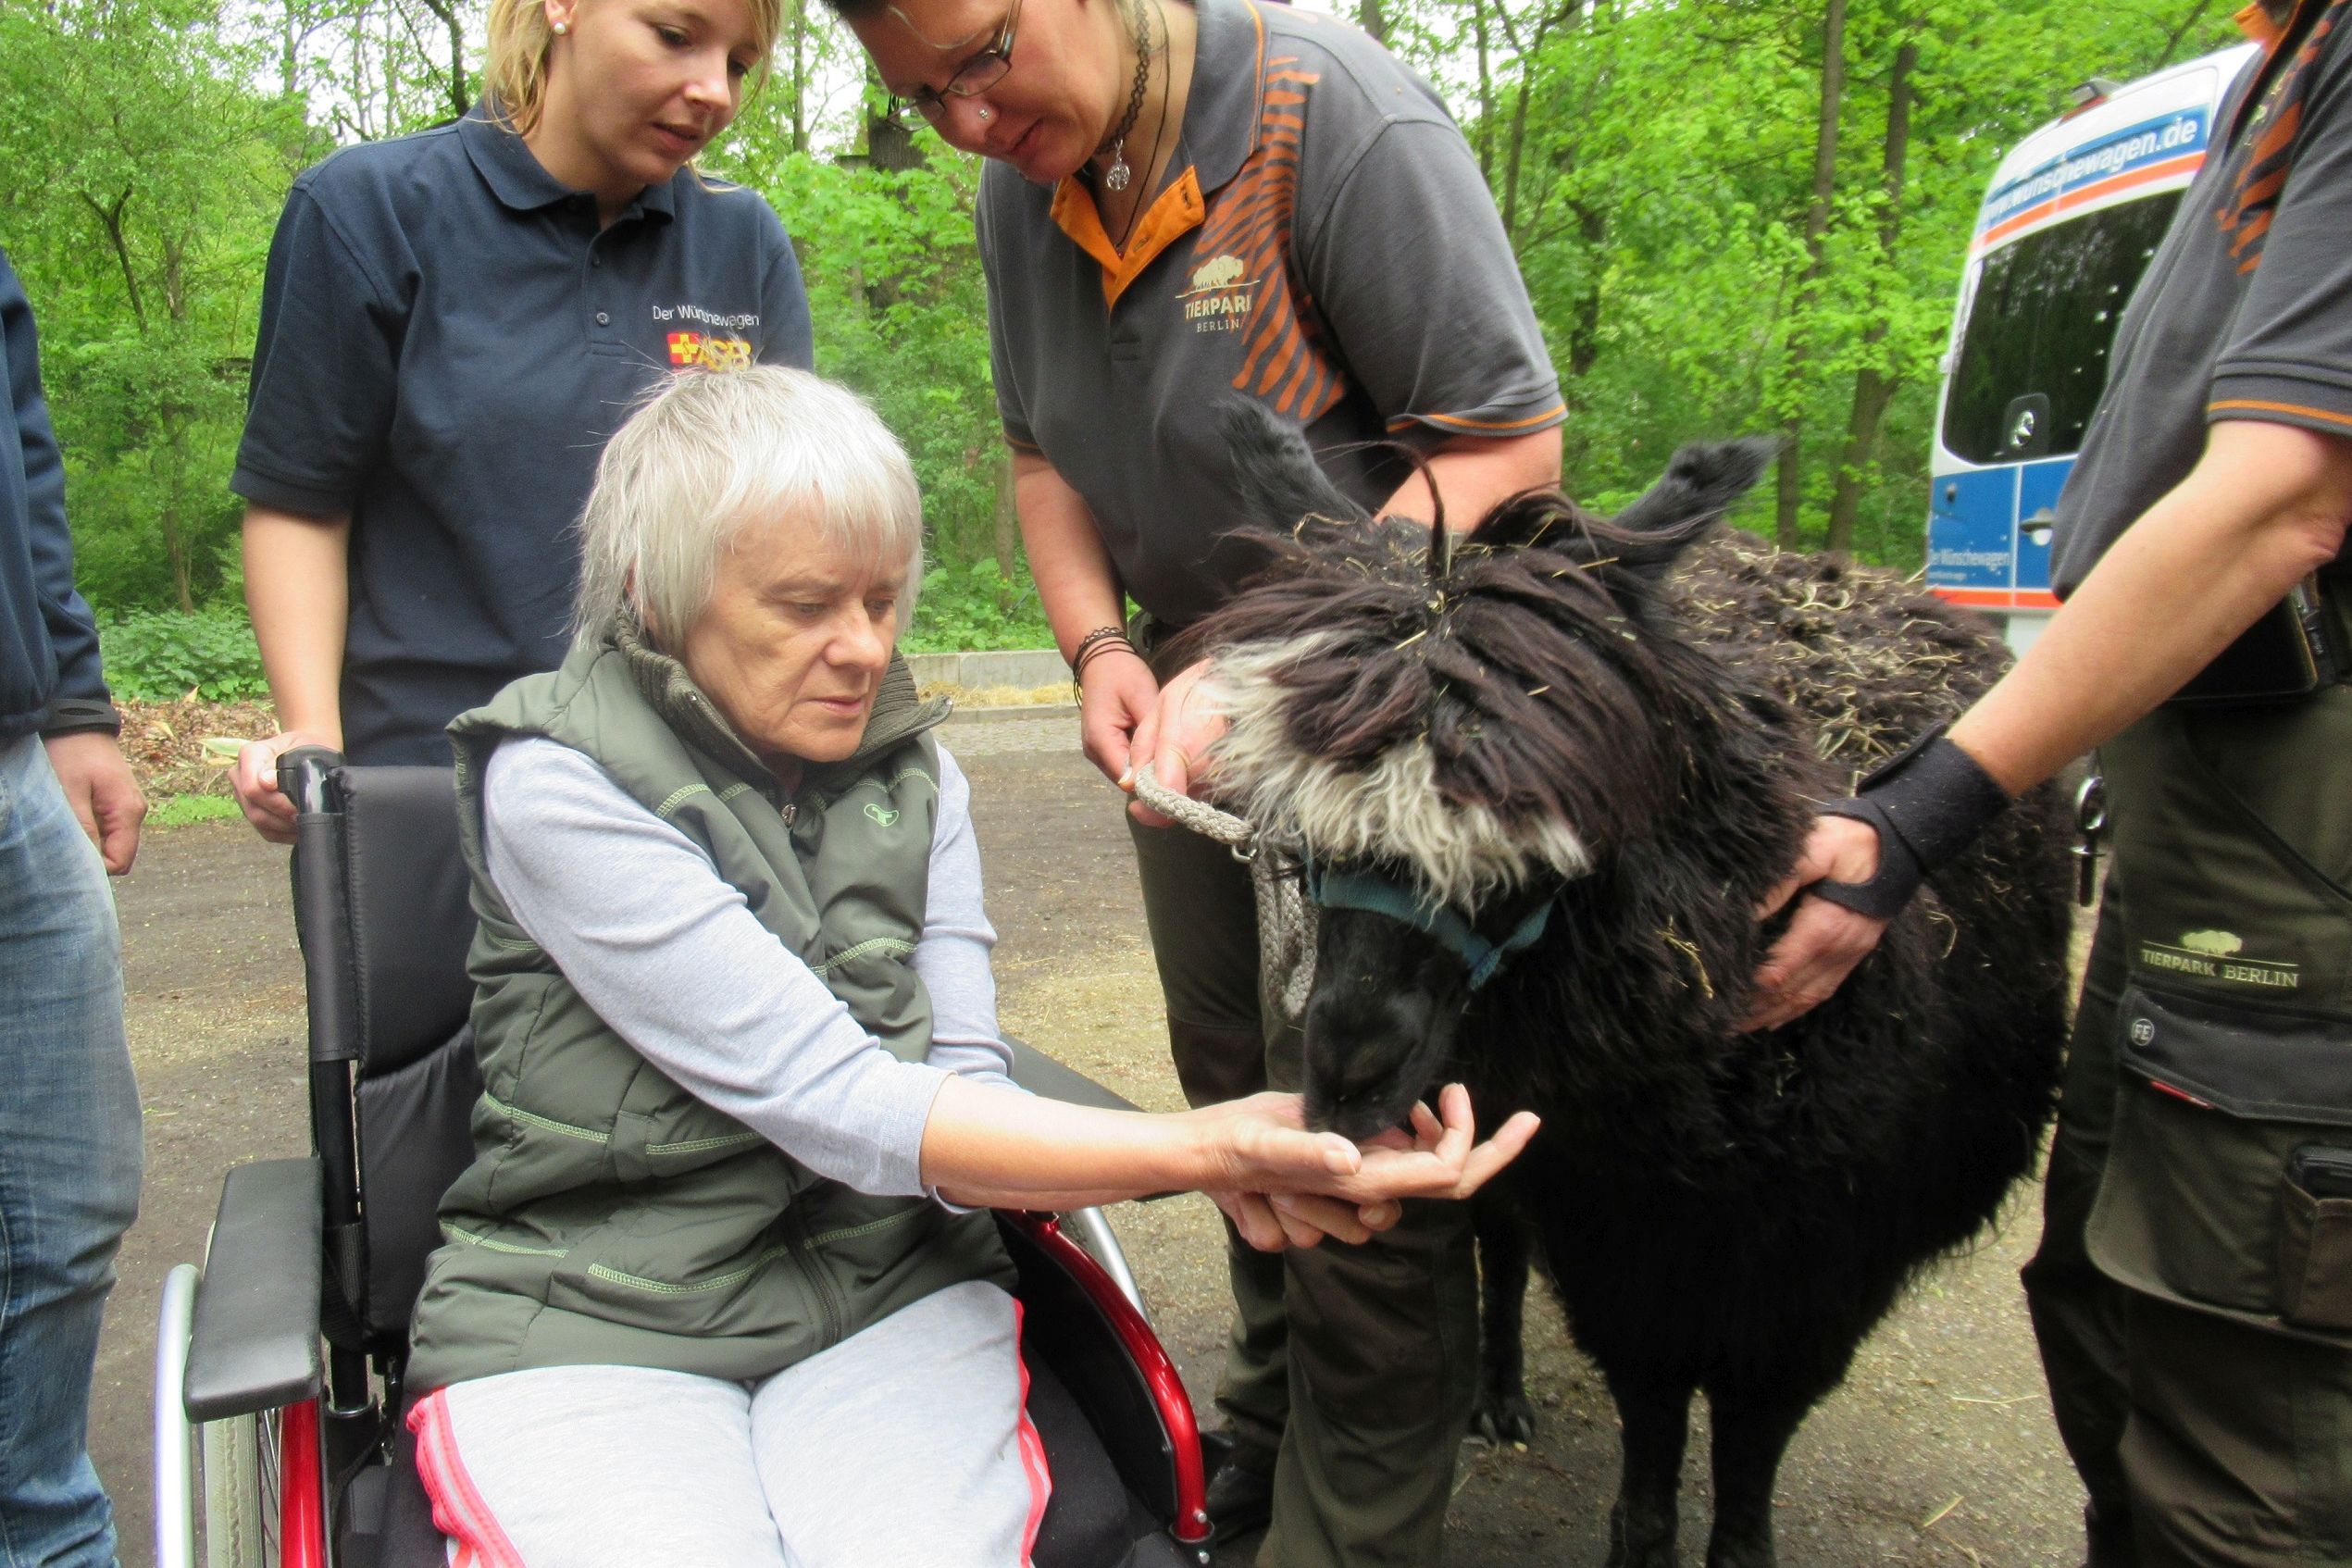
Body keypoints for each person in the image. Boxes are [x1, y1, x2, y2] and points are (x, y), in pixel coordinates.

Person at [399, 366, 1535, 1566]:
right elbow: (840, 1100)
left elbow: (963, 1082)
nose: (862, 647)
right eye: (803, 605)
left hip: (886, 1291)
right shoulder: (559, 780)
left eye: (884, 599)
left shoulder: (920, 781)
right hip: (595, 1315)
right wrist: (1198, 1147)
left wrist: (1266, 1148)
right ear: (652, 592)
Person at [826, 0, 1562, 1559]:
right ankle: (1261, 1438)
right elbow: (1040, 454)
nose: (965, 119)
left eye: (981, 60)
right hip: (1192, 700)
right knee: (1235, 1082)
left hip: (1381, 697)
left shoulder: (1332, 116)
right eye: (920, 95)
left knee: (1349, 1112)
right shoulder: (1022, 183)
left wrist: (1281, 650)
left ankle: (1351, 1523)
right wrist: (1100, 647)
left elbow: (1507, 452)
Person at [1743, 3, 2352, 1562]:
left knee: (2244, 1417)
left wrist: (1920, 817)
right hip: (2194, 799)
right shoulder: (2289, 62)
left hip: (2302, 832)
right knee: (2104, 1290)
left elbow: (2280, 497)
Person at [227, 0, 813, 840]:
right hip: (436, 786)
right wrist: (315, 738)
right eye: (676, 36)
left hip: (691, 793)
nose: (713, 90)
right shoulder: (370, 207)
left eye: (740, 63)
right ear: (563, 8)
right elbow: (298, 501)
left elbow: (793, 533)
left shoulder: (741, 241)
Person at [0, 245, 145, 1568]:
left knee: (71, 1198)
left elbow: (20, 450)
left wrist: (68, 703)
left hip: (6, 755)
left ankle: (44, 1529)